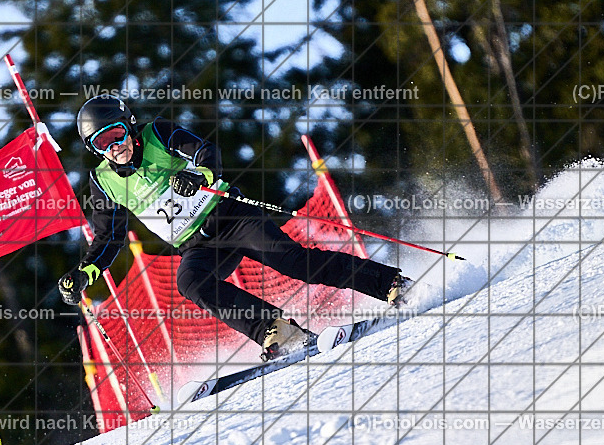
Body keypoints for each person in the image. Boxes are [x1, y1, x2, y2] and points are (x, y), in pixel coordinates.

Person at [59, 95, 410, 361]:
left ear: (129, 125)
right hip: (196, 245)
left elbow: (205, 151)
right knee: (189, 282)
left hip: (230, 214)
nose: (115, 147)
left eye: (117, 134)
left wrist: (198, 175)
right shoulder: (103, 180)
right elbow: (109, 236)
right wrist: (85, 272)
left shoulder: (157, 134)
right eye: (101, 144)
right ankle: (277, 329)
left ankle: (389, 282)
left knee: (293, 262)